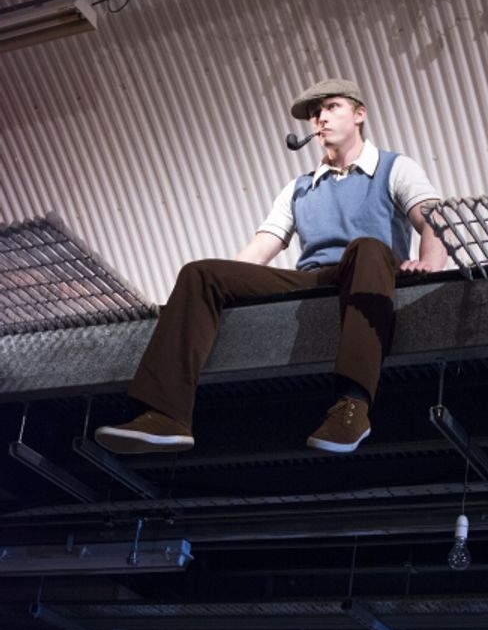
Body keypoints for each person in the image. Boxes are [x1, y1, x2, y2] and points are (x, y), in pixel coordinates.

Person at [95, 78, 447, 456]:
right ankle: (165, 414)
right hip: (316, 277)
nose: (320, 119)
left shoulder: (394, 166)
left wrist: (429, 264)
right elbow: (260, 250)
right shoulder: (298, 187)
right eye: (315, 113)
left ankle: (352, 406)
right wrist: (226, 283)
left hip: (371, 269)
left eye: (331, 107)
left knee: (367, 248)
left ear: (359, 114)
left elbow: (432, 221)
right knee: (202, 273)